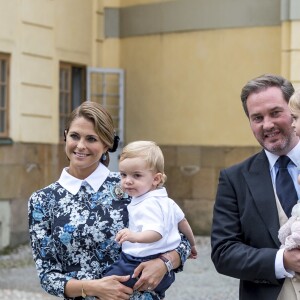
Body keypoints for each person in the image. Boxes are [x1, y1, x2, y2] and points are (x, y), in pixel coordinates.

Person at [28, 101, 191, 300]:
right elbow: (48, 276)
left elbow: (181, 240)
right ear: (65, 136)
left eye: (91, 139)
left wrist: (164, 263)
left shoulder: (131, 185)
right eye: (74, 136)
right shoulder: (43, 201)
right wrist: (93, 288)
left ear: (106, 144)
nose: (81, 146)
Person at [211, 74, 300, 300]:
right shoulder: (234, 179)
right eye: (257, 117)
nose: (267, 124)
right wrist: (282, 261)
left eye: (275, 112)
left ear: (293, 112)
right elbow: (224, 252)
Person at [104, 141, 197, 299]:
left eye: (137, 175)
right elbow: (183, 223)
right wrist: (192, 244)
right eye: (123, 174)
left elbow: (156, 233)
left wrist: (133, 236)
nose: (127, 181)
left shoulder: (147, 204)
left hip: (138, 263)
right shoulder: (166, 201)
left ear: (156, 179)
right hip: (163, 269)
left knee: (106, 281)